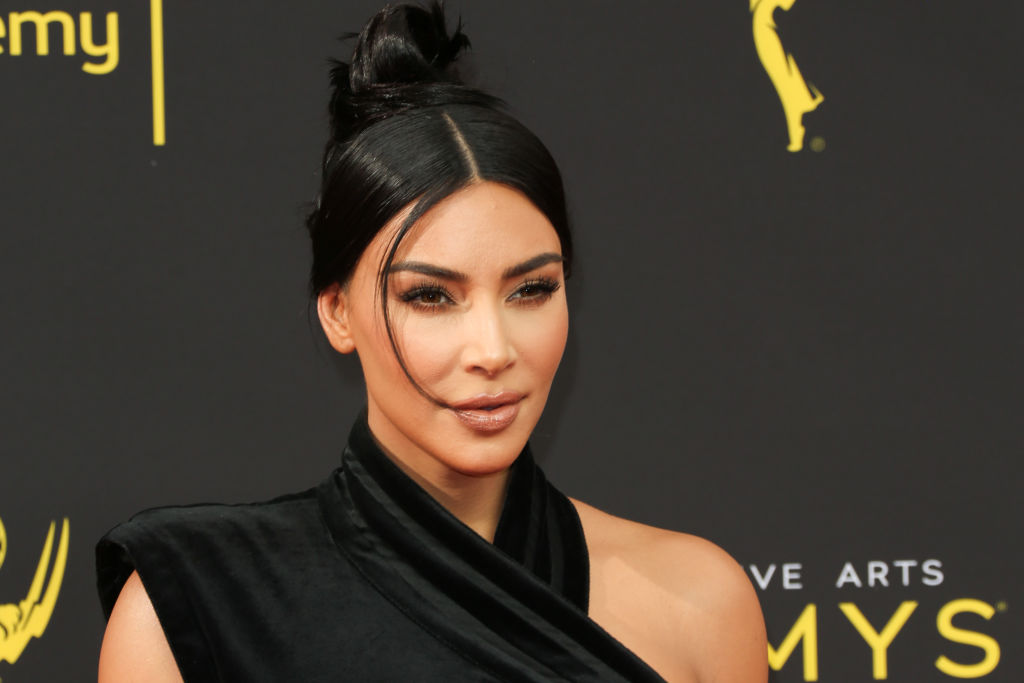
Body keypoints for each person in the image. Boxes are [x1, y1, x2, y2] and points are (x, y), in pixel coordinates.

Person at [96, 3, 767, 681]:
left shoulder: (700, 604)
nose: (493, 350)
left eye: (531, 289)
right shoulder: (194, 607)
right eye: (430, 296)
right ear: (338, 312)